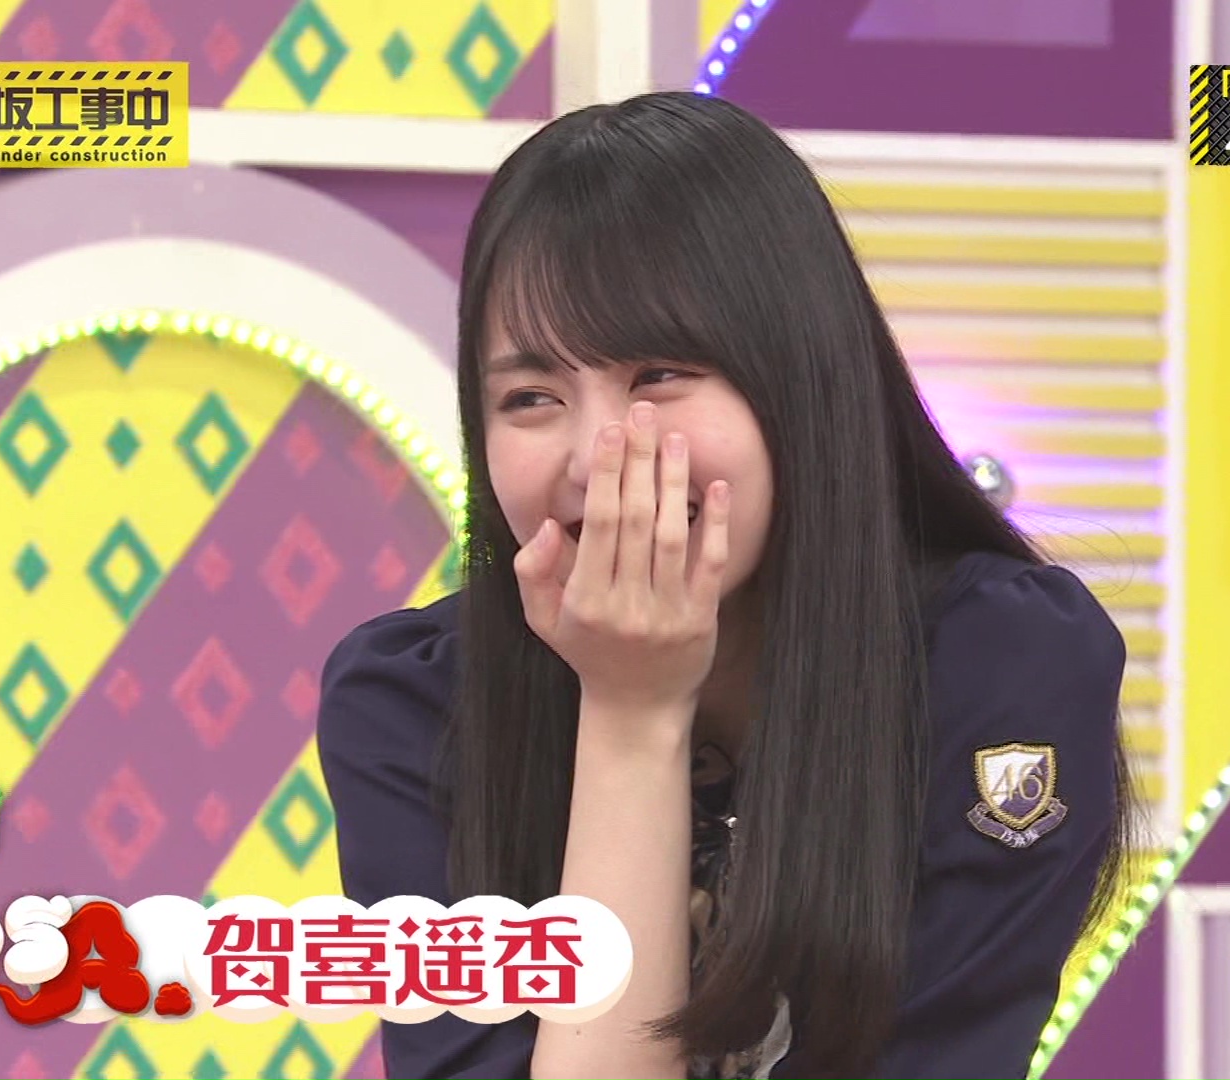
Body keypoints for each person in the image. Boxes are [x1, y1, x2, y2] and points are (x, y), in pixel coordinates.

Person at [317, 91, 1135, 1080]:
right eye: (530, 398)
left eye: (658, 375)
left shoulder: (1003, 665)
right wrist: (631, 716)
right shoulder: (412, 706)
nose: (597, 458)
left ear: (800, 381)